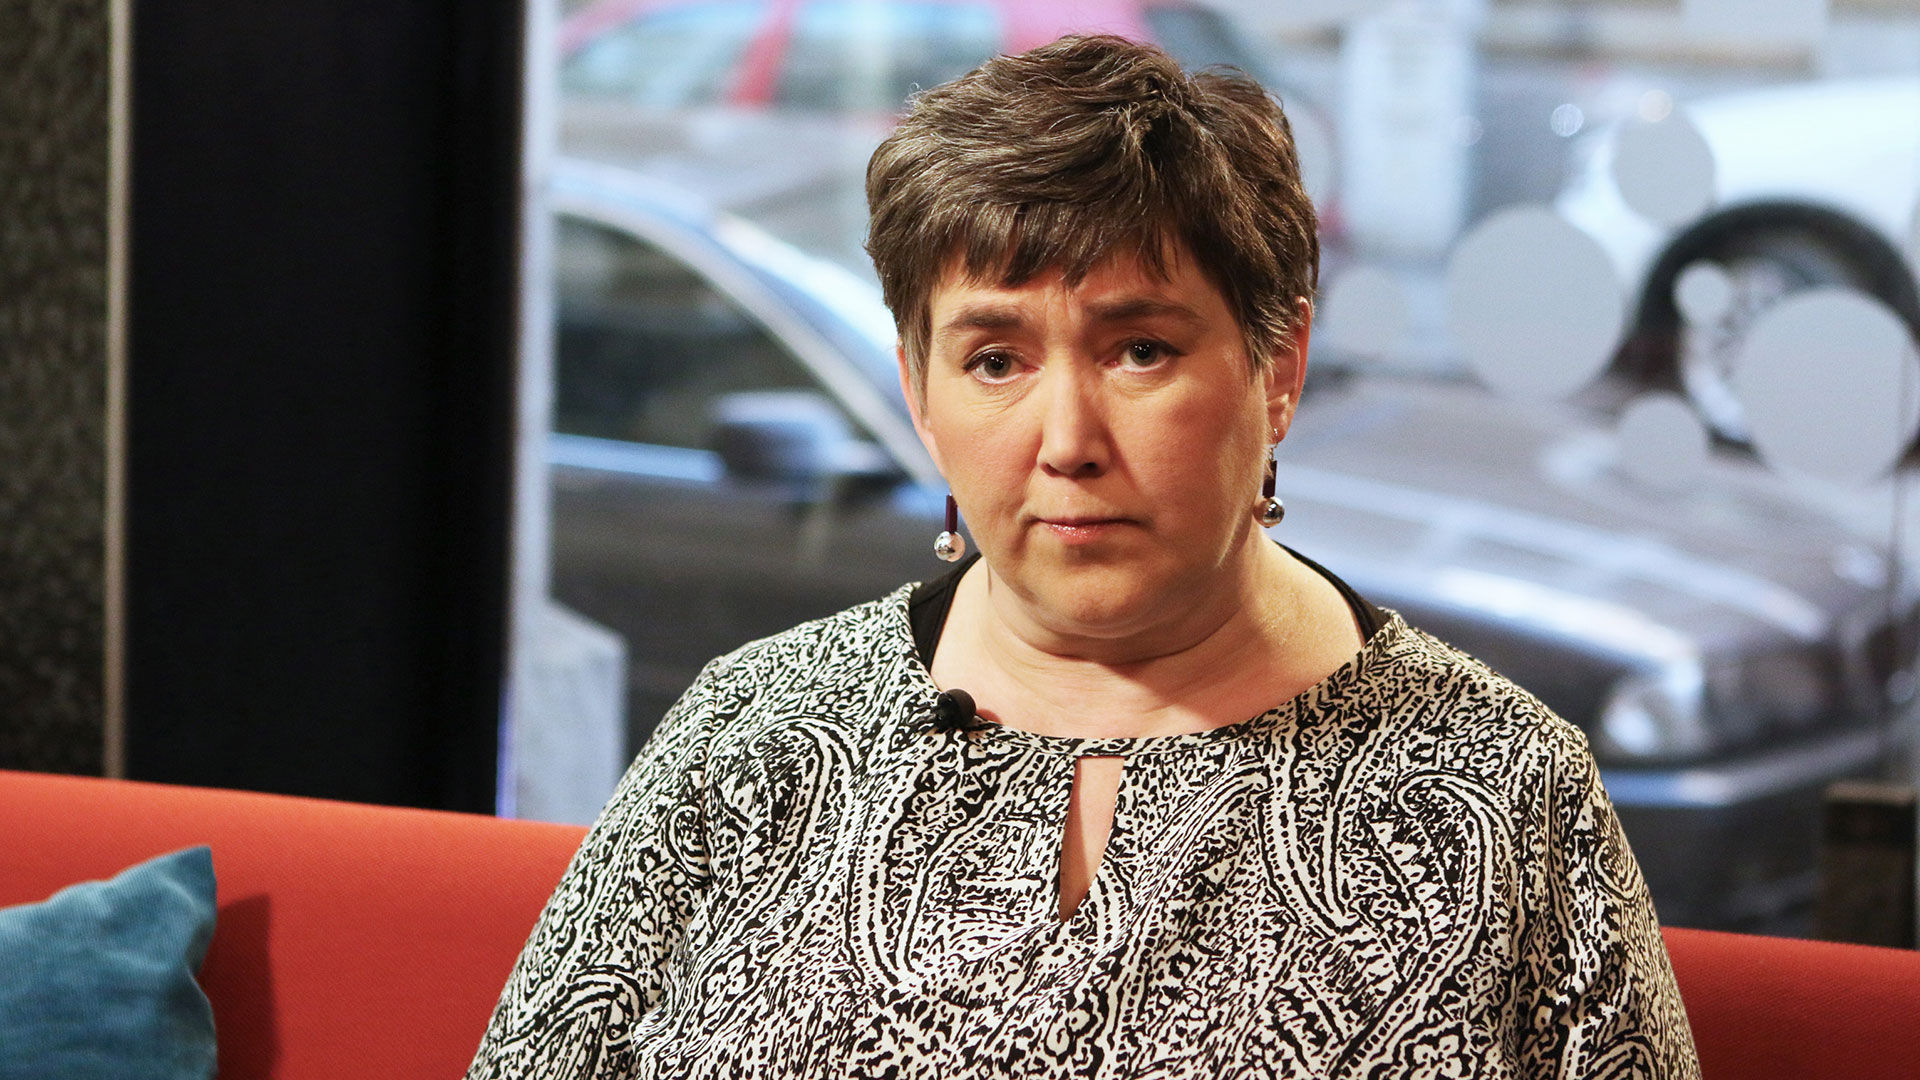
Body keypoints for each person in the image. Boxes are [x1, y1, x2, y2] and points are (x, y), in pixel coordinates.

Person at [467, 35, 1699, 1078]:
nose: (1066, 441)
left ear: (1276, 368)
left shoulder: (1500, 791)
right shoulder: (754, 735)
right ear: (919, 392)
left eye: (1139, 350)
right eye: (995, 360)